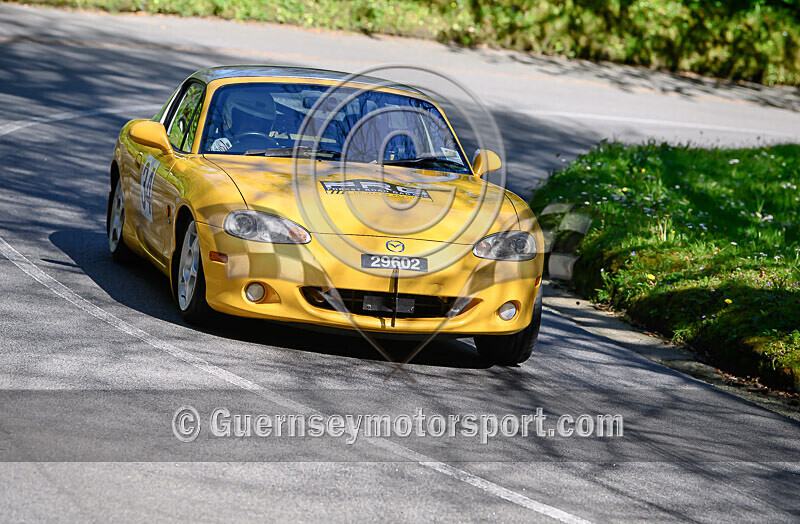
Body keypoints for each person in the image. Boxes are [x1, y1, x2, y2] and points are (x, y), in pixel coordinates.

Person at [210, 89, 278, 152]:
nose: (252, 125)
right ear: (234, 119)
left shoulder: (274, 151)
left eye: (258, 121)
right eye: (247, 118)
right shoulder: (221, 147)